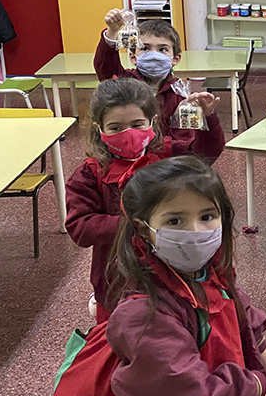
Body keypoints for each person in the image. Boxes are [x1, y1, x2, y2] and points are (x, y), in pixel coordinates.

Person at [105, 155, 266, 396]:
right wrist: (254, 386)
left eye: (207, 216)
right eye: (175, 221)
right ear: (143, 230)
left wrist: (257, 342)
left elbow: (231, 302)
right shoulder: (144, 314)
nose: (195, 231)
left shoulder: (206, 270)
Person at [65, 77, 224, 323]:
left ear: (152, 122)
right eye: (115, 128)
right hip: (118, 276)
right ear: (99, 129)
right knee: (121, 330)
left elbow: (204, 155)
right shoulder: (90, 173)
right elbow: (80, 226)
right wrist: (137, 225)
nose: (128, 134)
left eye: (137, 124)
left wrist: (208, 118)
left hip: (173, 270)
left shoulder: (167, 154)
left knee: (176, 324)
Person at [94, 9, 209, 149]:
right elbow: (105, 69)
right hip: (123, 151)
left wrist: (159, 152)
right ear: (133, 57)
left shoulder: (180, 95)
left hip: (162, 155)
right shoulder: (125, 81)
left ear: (175, 59)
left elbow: (184, 138)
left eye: (162, 49)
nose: (154, 55)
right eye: (145, 48)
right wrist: (112, 32)